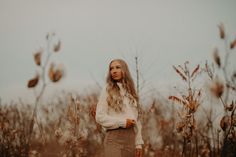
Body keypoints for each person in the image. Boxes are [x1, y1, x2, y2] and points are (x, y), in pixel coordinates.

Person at [95, 59, 144, 157]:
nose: (114, 71)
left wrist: (138, 143)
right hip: (114, 138)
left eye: (118, 67)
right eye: (111, 68)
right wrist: (122, 122)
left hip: (131, 138)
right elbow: (99, 116)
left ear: (124, 70)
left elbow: (137, 120)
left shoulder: (131, 93)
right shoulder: (107, 90)